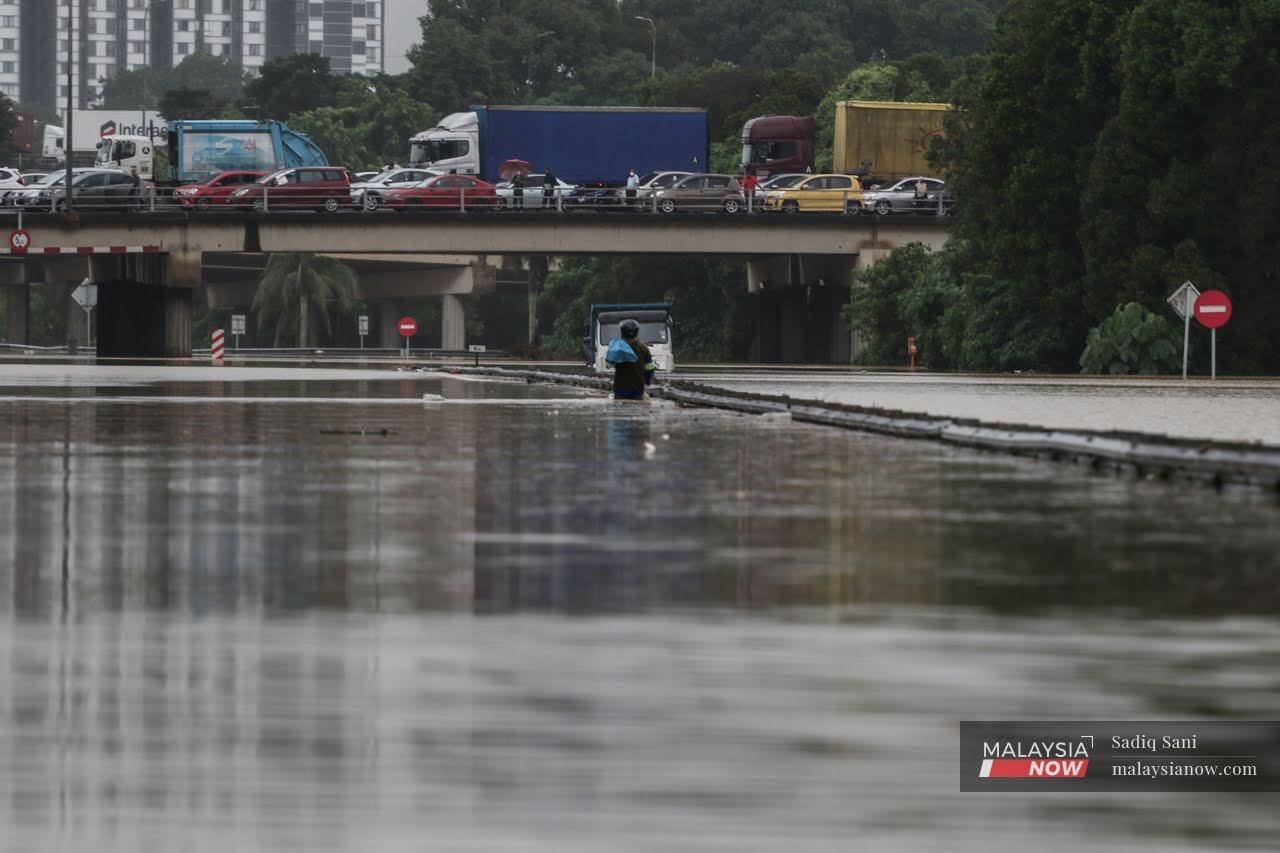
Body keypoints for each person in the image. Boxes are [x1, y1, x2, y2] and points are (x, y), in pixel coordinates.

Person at [610, 319, 656, 400]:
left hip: (620, 390)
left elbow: (609, 364)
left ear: (622, 332)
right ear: (637, 332)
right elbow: (649, 369)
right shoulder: (644, 348)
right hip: (638, 390)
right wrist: (648, 382)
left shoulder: (617, 348)